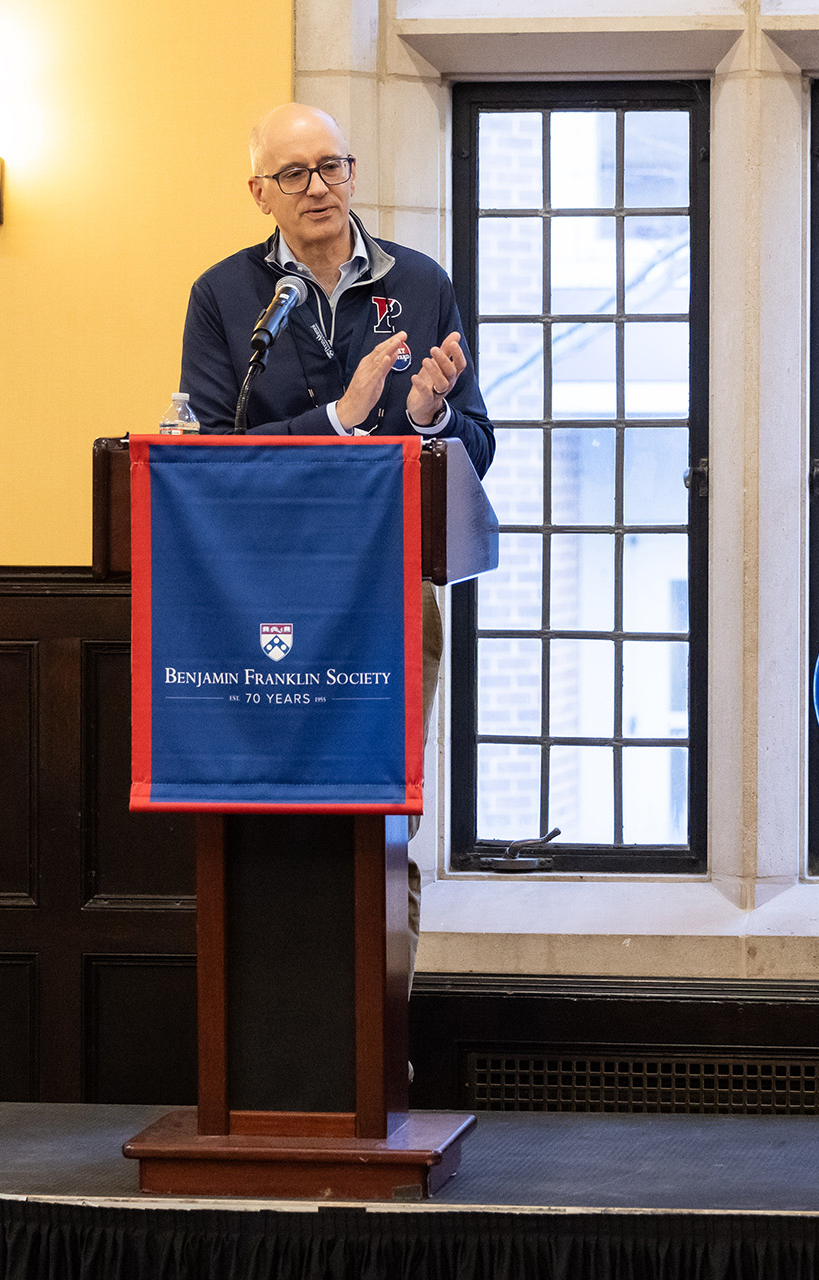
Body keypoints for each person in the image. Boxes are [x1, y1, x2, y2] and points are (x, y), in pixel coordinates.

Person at [180, 103, 496, 968]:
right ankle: (276, 1051)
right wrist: (340, 419)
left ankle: (386, 1058)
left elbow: (480, 444)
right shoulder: (223, 297)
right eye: (295, 174)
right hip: (257, 604)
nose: (320, 188)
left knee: (386, 814)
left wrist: (428, 419)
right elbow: (207, 458)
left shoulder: (421, 282)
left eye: (333, 166)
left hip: (390, 592)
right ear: (260, 193)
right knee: (276, 821)